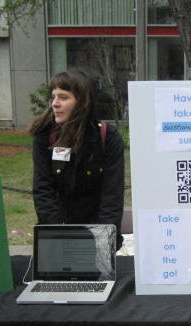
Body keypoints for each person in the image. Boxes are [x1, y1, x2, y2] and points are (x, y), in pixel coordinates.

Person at [30, 69, 125, 250]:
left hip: (98, 236)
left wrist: (101, 242)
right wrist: (60, 237)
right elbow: (43, 191)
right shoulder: (44, 136)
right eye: (53, 97)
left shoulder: (108, 138)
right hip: (57, 235)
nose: (55, 104)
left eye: (63, 97)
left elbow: (112, 197)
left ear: (82, 102)